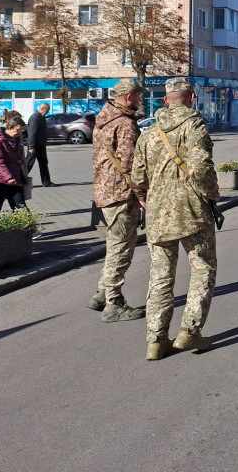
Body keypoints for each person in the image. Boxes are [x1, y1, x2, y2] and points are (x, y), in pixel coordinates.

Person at [131, 77, 220, 360]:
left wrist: (145, 196)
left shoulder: (148, 132)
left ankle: (155, 341)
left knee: (160, 277)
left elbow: (137, 176)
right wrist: (214, 194)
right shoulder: (194, 125)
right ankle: (189, 332)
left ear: (166, 100)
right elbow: (201, 167)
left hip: (158, 213)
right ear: (192, 98)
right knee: (203, 268)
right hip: (192, 209)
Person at [87, 79, 147, 323]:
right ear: (130, 97)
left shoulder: (104, 119)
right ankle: (114, 303)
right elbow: (130, 163)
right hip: (122, 193)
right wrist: (142, 195)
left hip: (105, 191)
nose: (141, 99)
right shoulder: (125, 124)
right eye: (139, 96)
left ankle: (102, 292)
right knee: (122, 247)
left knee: (115, 244)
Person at [0, 112, 30, 214]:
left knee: (20, 207)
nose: (19, 133)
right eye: (18, 130)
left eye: (22, 131)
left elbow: (19, 157)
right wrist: (8, 177)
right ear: (9, 127)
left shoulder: (17, 139)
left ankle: (27, 228)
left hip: (15, 177)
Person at [25, 103, 54, 186]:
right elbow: (32, 133)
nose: (47, 112)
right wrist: (31, 146)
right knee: (28, 163)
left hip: (41, 145)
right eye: (47, 110)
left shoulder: (41, 117)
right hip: (35, 145)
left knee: (44, 162)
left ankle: (46, 182)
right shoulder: (35, 118)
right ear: (42, 108)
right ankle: (19, 179)